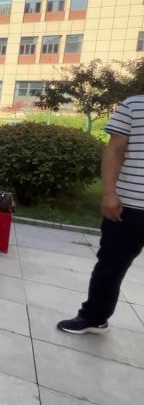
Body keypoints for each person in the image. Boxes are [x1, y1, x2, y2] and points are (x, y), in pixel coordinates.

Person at [58, 94, 144, 334]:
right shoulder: (134, 105)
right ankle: (94, 317)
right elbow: (114, 150)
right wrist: (109, 193)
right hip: (130, 205)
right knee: (110, 266)